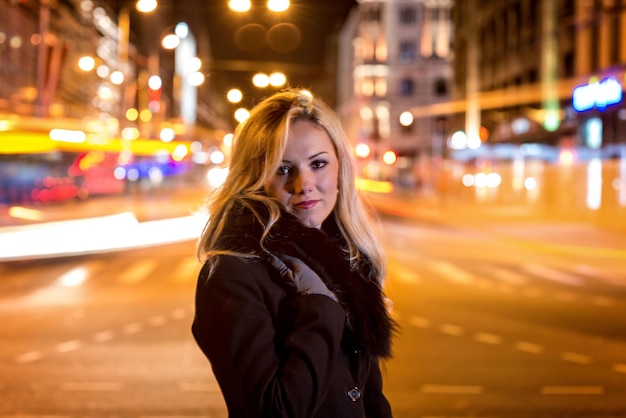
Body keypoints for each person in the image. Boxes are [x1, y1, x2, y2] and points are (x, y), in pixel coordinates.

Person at [192, 89, 396, 418]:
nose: (304, 184)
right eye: (283, 169)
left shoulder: (346, 264)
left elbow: (369, 399)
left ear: (340, 169)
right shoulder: (232, 274)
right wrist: (321, 305)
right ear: (256, 179)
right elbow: (278, 409)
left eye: (318, 163)